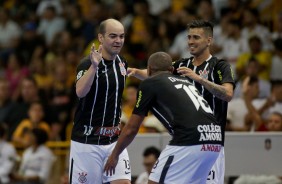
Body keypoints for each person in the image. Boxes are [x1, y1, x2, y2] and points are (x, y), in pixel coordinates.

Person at [128, 20, 235, 184]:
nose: (191, 41)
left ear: (209, 40)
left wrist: (199, 79)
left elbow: (227, 94)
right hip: (187, 142)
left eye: (196, 37)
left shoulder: (220, 66)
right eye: (189, 37)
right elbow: (156, 73)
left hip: (211, 141)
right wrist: (135, 71)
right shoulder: (181, 64)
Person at [104, 52, 222, 184]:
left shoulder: (149, 84)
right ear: (171, 70)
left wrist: (114, 155)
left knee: (155, 182)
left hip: (190, 140)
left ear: (148, 69)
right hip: (215, 139)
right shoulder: (186, 81)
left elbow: (132, 128)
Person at [69, 18, 131, 184]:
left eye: (121, 36)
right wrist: (94, 67)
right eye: (113, 36)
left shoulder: (122, 62)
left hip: (113, 141)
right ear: (101, 38)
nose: (118, 41)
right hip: (87, 142)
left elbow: (136, 73)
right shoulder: (87, 63)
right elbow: (80, 92)